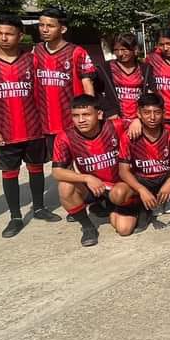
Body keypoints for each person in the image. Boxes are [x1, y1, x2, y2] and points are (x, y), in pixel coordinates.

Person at [0, 14, 61, 238]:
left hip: (34, 128)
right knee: (9, 173)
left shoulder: (31, 60)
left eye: (9, 33)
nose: (4, 38)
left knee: (36, 168)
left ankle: (39, 208)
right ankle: (15, 217)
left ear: (20, 36)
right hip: (4, 131)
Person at [51, 95, 130, 246]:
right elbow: (57, 172)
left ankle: (115, 206)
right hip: (93, 187)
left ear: (99, 114)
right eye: (76, 116)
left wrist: (137, 122)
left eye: (86, 114)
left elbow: (146, 123)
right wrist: (87, 178)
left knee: (124, 229)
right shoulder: (64, 137)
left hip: (119, 186)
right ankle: (88, 227)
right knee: (65, 186)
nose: (81, 120)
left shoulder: (116, 126)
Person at [110, 93, 170, 227]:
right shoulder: (129, 136)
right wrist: (141, 189)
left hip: (165, 176)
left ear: (164, 113)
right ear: (139, 113)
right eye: (147, 113)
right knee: (117, 194)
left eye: (157, 112)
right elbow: (123, 171)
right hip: (142, 178)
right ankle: (142, 206)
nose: (152, 117)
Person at [32, 6, 96, 153]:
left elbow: (87, 84)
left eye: (50, 26)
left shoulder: (77, 52)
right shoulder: (36, 50)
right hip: (45, 122)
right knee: (56, 161)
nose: (44, 30)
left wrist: (91, 113)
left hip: (72, 122)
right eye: (41, 25)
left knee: (76, 160)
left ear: (63, 29)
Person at [99, 33, 147, 135]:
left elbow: (150, 96)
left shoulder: (145, 69)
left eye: (124, 50)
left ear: (135, 49)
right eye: (116, 50)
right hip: (115, 121)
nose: (120, 53)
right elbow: (95, 92)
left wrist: (140, 118)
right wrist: (110, 111)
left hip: (139, 122)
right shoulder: (105, 69)